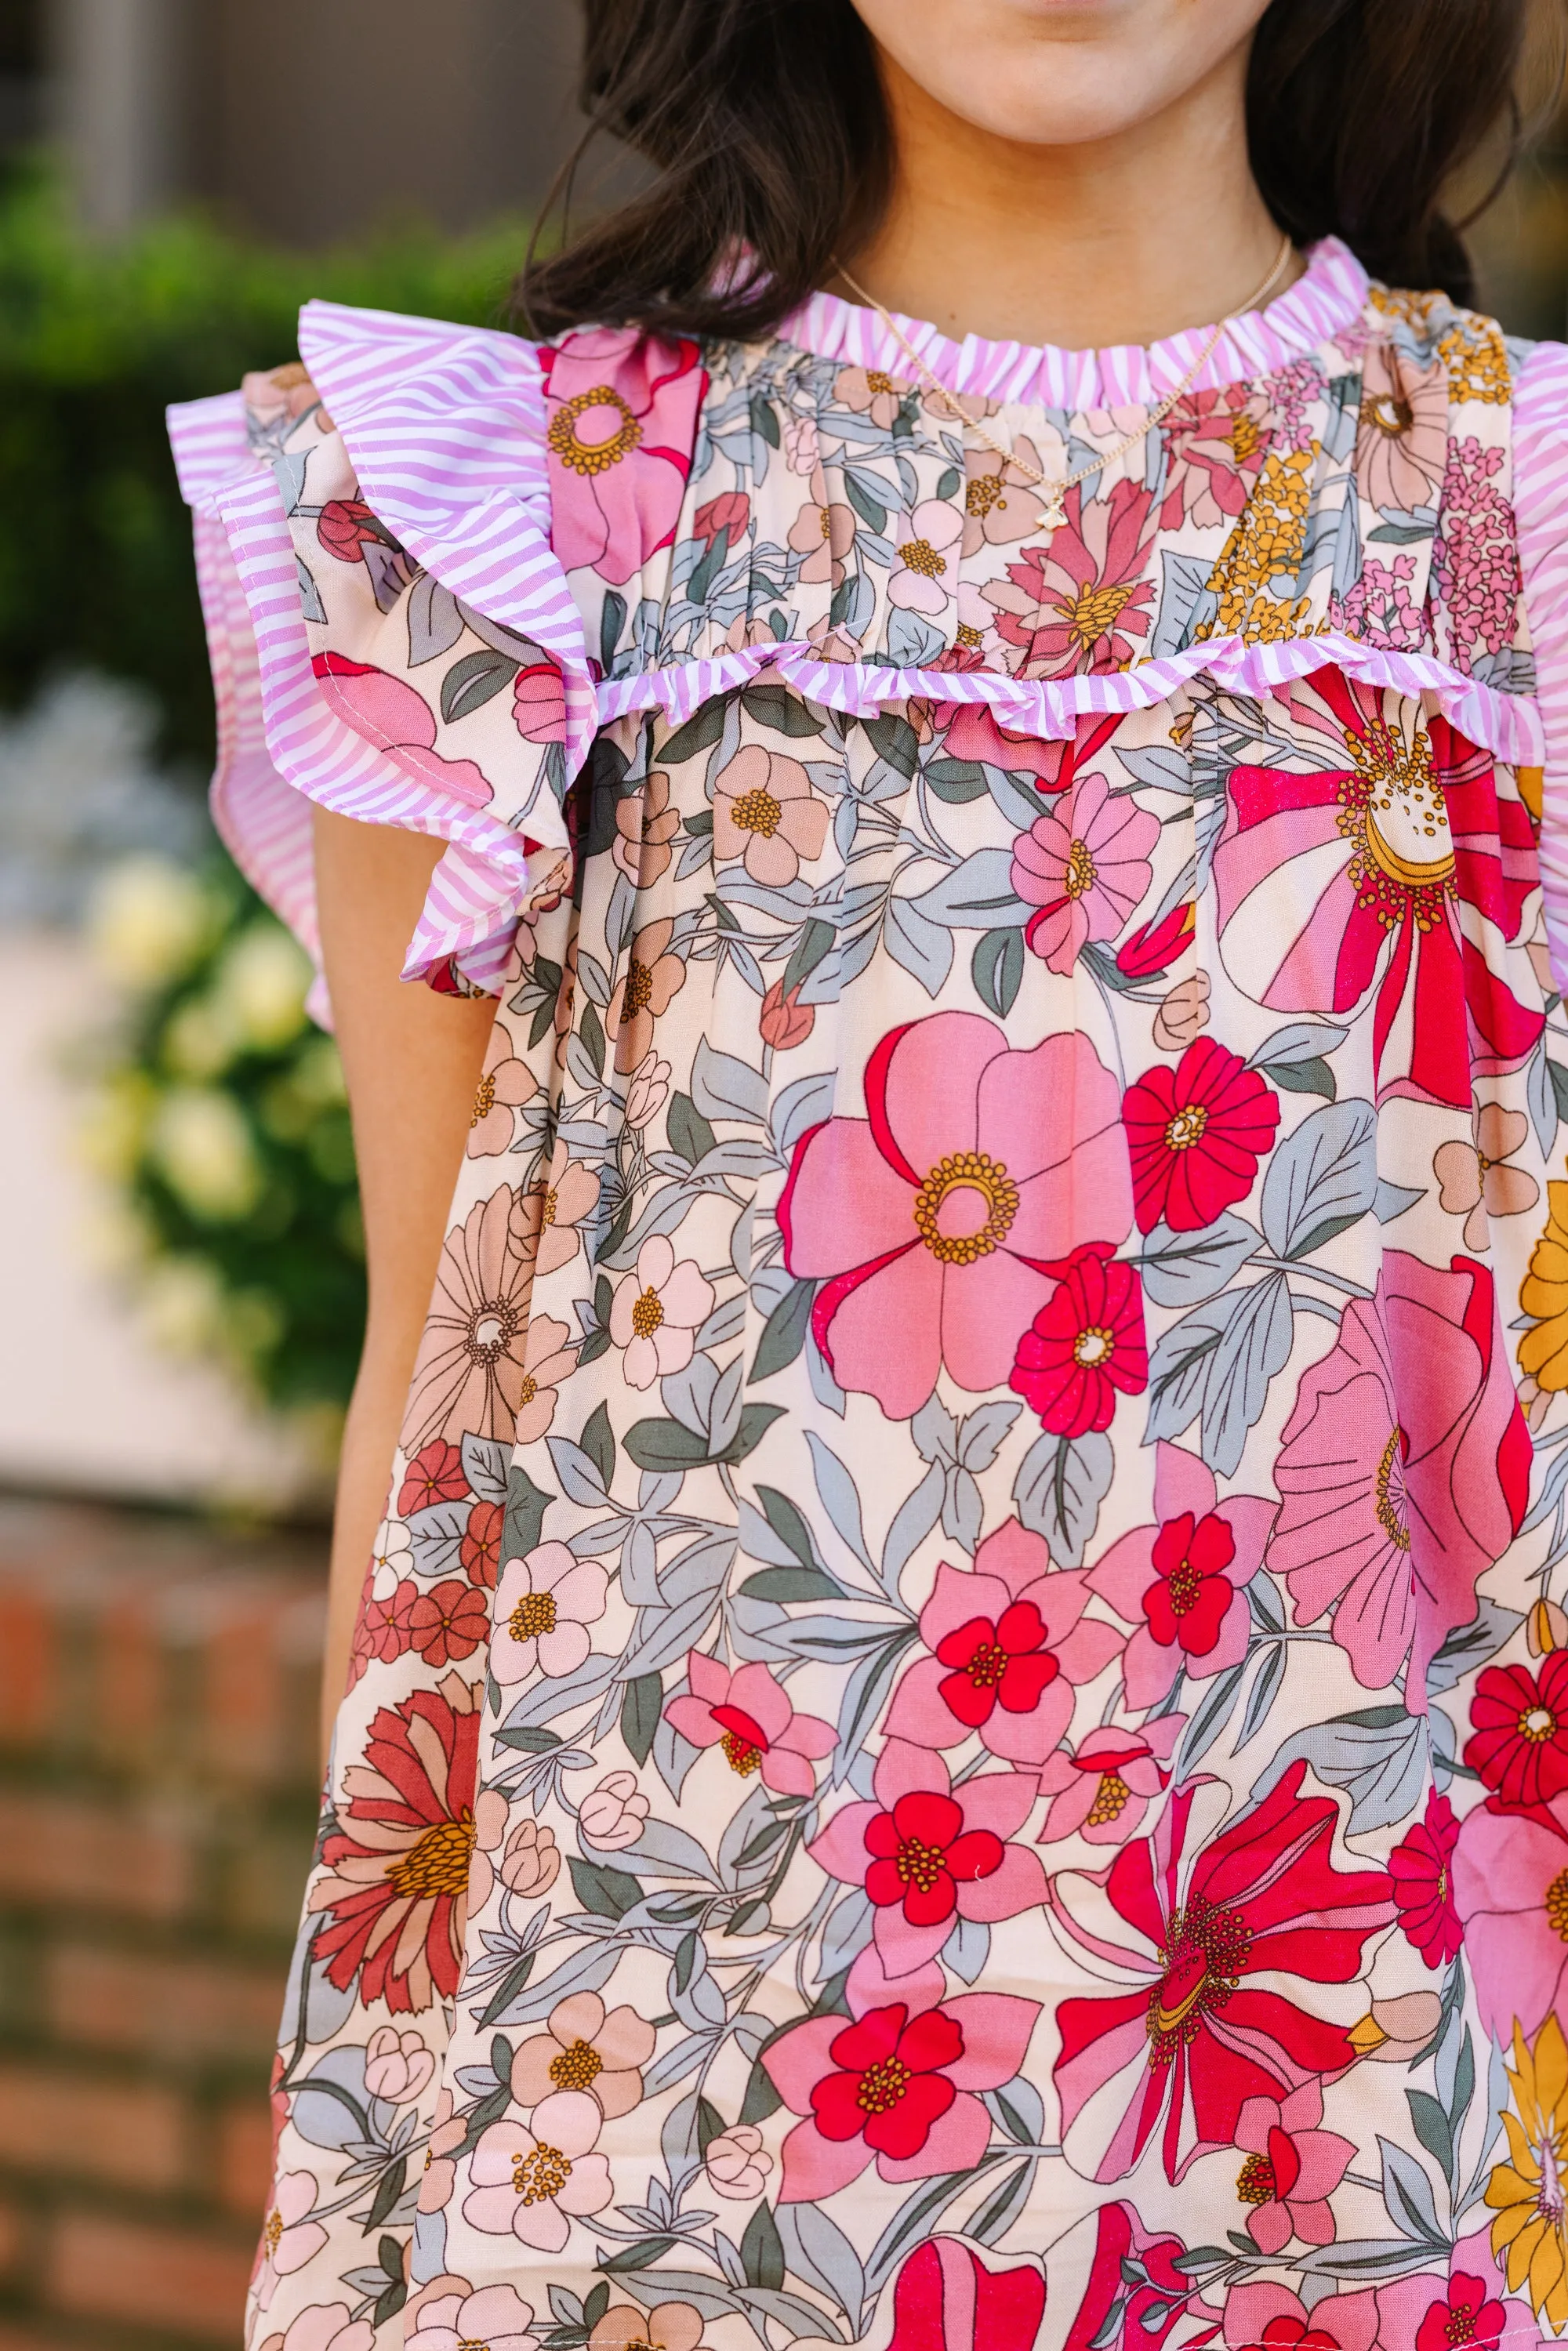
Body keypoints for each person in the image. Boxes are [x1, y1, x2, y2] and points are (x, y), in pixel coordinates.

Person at [169, 2, 1568, 2344]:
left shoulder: (1518, 537)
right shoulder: (501, 522)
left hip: (1372, 2169)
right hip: (637, 2183)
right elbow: (434, 1427)